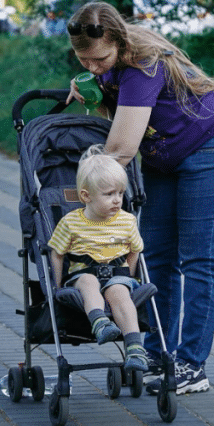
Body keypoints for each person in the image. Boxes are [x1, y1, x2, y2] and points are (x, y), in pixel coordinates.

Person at [65, 1, 214, 395]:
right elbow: (113, 116)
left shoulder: (141, 65)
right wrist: (95, 91)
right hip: (168, 155)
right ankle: (157, 351)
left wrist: (85, 197)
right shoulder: (112, 65)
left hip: (213, 148)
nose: (92, 66)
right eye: (83, 60)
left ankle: (191, 364)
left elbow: (119, 150)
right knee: (156, 255)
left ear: (117, 41)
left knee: (199, 259)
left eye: (99, 59)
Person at [48, 145, 147, 370]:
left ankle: (134, 349)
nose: (117, 200)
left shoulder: (127, 221)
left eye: (120, 193)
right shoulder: (71, 222)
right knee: (88, 282)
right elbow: (57, 252)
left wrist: (128, 276)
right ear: (86, 196)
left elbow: (135, 249)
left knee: (121, 294)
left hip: (117, 274)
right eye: (109, 194)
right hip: (83, 273)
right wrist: (55, 284)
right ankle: (100, 323)